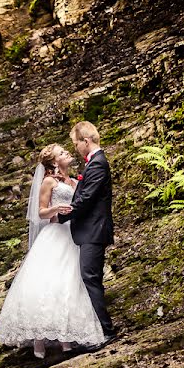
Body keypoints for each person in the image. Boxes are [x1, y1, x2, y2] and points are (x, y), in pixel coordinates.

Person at [0, 143, 105, 358]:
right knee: (49, 282)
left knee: (70, 283)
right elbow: (40, 213)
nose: (67, 153)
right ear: (54, 162)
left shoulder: (75, 181)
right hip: (55, 234)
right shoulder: (48, 181)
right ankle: (39, 337)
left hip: (74, 234)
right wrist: (55, 209)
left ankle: (66, 337)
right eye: (62, 153)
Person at [57, 121, 116, 339]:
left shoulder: (98, 163)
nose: (75, 148)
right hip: (90, 230)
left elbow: (87, 198)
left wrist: (63, 215)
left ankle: (105, 331)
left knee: (89, 277)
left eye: (76, 143)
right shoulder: (94, 163)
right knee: (91, 277)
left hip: (94, 230)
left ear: (86, 141)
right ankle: (100, 329)